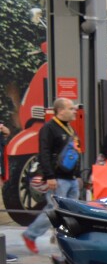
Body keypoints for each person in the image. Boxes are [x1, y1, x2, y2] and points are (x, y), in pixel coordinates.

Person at [22, 98, 81, 254]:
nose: (74, 111)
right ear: (60, 110)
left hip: (71, 179)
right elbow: (44, 153)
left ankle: (63, 238)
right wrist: (49, 176)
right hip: (58, 179)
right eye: (70, 108)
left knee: (70, 211)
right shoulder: (48, 128)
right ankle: (30, 235)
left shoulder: (69, 128)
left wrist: (77, 175)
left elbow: (75, 152)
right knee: (53, 210)